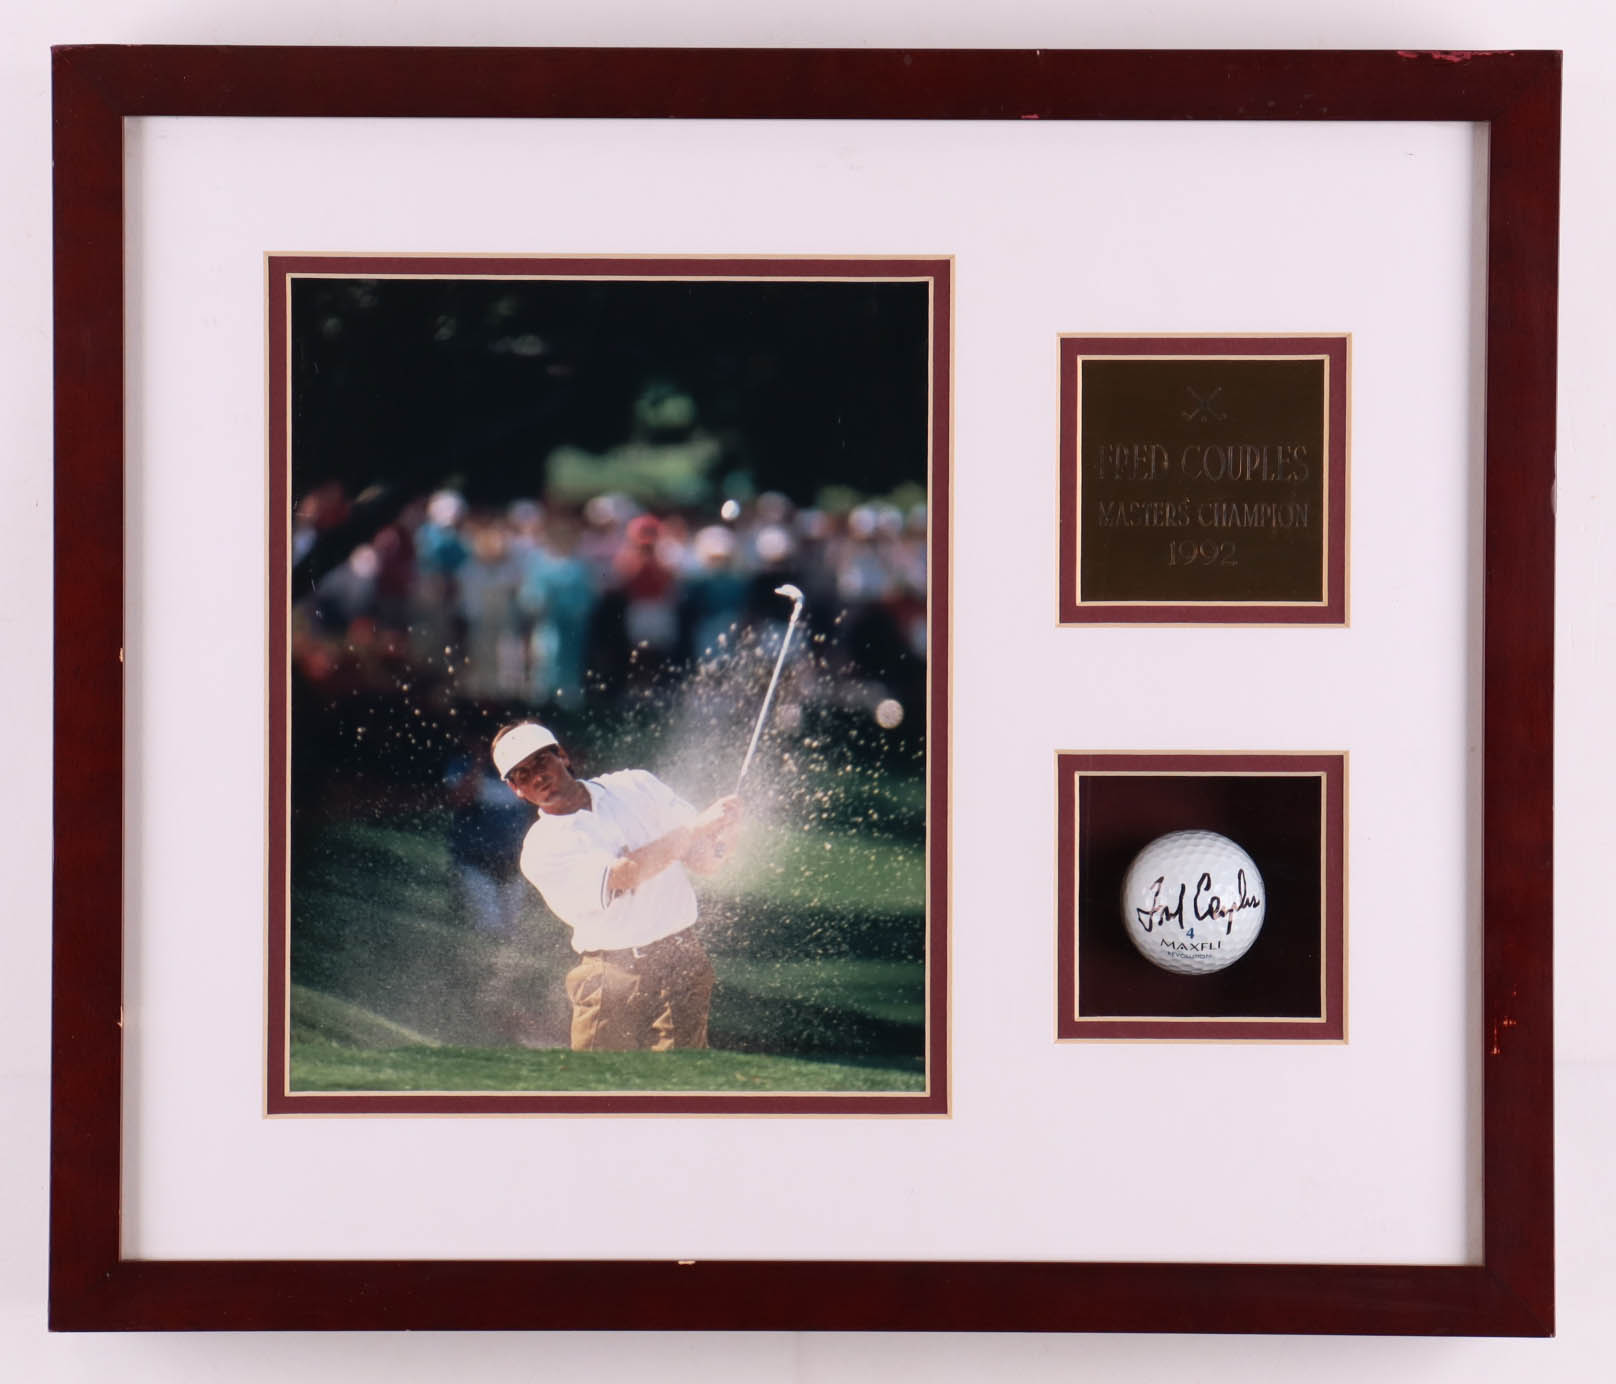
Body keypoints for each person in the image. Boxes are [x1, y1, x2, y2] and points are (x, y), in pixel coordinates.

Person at [491, 720, 741, 1051]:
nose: (537, 776)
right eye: (522, 774)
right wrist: (697, 829)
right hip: (611, 976)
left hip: (682, 959)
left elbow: (703, 861)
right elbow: (626, 875)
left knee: (682, 1084)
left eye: (541, 761)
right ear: (515, 789)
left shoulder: (636, 785)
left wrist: (727, 832)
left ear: (562, 755)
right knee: (601, 1092)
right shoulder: (541, 848)